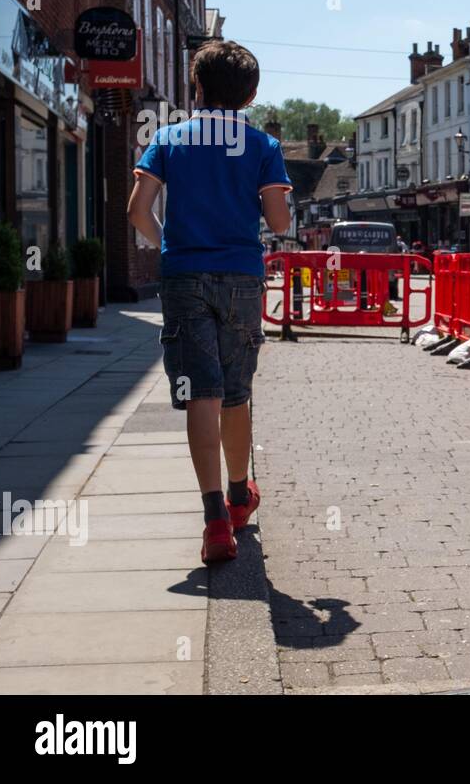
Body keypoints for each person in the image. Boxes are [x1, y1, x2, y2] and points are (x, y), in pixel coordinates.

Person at [127, 40, 292, 564]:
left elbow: (137, 212)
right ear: (252, 94)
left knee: (201, 393)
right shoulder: (262, 145)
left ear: (196, 88)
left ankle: (214, 519)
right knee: (236, 393)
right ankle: (241, 494)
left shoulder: (170, 138)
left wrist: (169, 245)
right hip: (242, 276)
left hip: (183, 276)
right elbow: (281, 222)